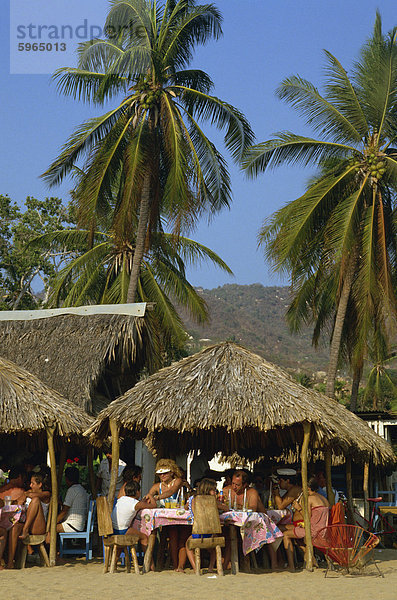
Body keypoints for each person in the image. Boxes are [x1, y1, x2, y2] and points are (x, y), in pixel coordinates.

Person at [279, 476, 330, 571]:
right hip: (323, 531)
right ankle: (312, 560)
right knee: (296, 535)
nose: (302, 489)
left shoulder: (310, 499)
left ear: (308, 488)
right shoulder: (324, 499)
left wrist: (299, 508)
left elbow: (307, 518)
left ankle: (291, 566)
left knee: (286, 534)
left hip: (313, 531)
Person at [146, 459, 185, 571]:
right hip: (165, 520)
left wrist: (157, 497)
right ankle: (171, 564)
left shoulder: (177, 481)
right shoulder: (156, 486)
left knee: (177, 534)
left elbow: (171, 491)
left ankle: (177, 564)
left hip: (179, 517)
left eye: (165, 473)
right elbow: (149, 496)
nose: (162, 475)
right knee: (167, 533)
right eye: (160, 473)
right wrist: (148, 498)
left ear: (172, 472)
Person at [111, 480, 156, 569]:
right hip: (123, 531)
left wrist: (142, 501)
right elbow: (153, 505)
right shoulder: (135, 503)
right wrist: (151, 496)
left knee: (120, 546)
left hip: (113, 530)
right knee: (144, 538)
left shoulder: (121, 499)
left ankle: (114, 564)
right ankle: (150, 565)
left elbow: (134, 505)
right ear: (137, 492)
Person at [185, 478, 221, 573]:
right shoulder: (213, 501)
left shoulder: (193, 499)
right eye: (214, 490)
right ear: (208, 490)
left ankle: (196, 568)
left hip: (197, 534)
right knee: (213, 550)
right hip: (210, 534)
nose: (215, 492)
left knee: (188, 545)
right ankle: (210, 568)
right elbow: (225, 508)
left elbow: (185, 507)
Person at [48, 467, 88, 539]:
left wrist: (53, 523)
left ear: (66, 479)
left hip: (73, 525)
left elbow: (64, 511)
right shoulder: (81, 489)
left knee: (49, 529)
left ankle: (53, 549)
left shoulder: (72, 490)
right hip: (80, 525)